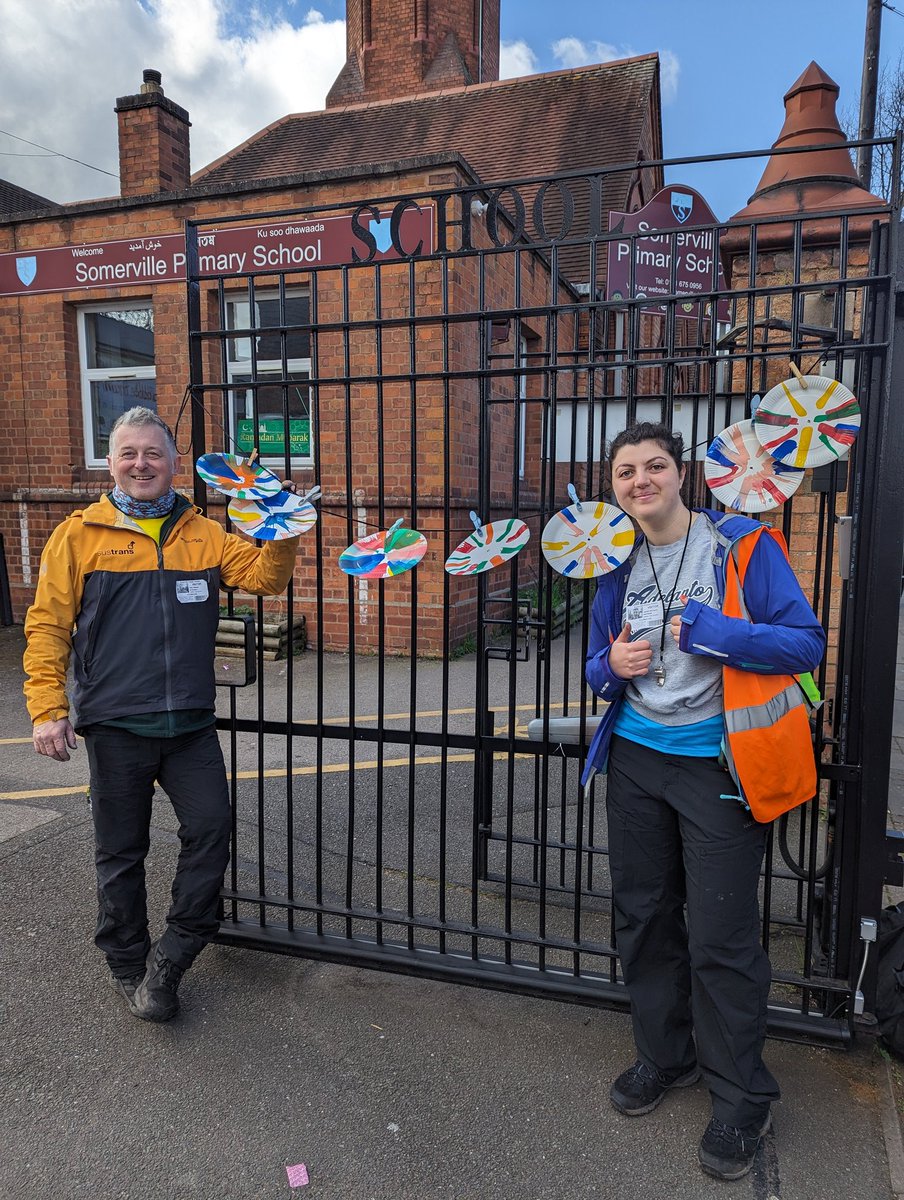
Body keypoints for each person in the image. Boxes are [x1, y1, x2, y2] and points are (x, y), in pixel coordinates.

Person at [582, 422, 825, 1182]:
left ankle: (741, 1100)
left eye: (654, 465)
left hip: (718, 765)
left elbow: (805, 643)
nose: (640, 480)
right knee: (644, 916)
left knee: (721, 937)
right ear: (614, 487)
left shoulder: (743, 547)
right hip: (636, 761)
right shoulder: (614, 562)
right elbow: (598, 667)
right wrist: (607, 664)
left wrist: (723, 633)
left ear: (681, 474)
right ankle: (665, 1057)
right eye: (626, 471)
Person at [23, 407, 301, 1024]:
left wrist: (283, 523)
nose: (141, 464)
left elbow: (264, 578)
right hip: (117, 724)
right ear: (111, 463)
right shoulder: (78, 535)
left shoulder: (202, 533)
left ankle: (174, 954)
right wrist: (48, 708)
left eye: (153, 453)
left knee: (210, 830)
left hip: (190, 726)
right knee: (121, 850)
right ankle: (128, 963)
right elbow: (47, 627)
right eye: (129, 453)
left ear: (174, 463)